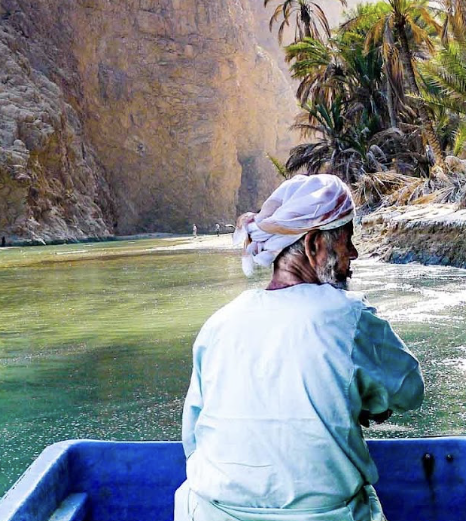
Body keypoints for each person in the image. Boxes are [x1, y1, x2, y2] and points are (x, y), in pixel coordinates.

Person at [176, 174, 424, 521]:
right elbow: (409, 391)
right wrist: (368, 402)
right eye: (346, 239)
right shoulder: (348, 315)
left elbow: (193, 439)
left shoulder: (218, 324)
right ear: (312, 246)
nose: (353, 252)